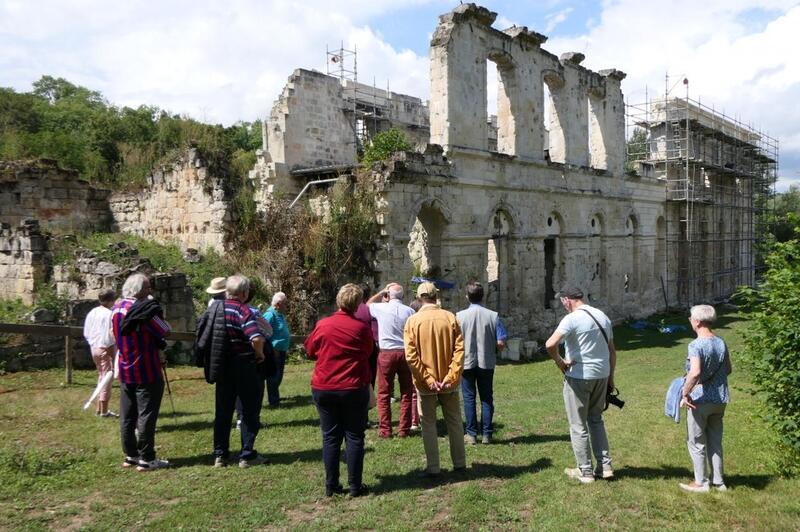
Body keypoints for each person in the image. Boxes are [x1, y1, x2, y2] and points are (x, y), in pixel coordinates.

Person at [304, 283, 373, 497]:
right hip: (352, 386)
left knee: (331, 436)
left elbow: (310, 350)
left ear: (338, 301)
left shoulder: (324, 325)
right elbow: (368, 352)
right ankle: (355, 485)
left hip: (325, 385)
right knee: (354, 436)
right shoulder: (361, 328)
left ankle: (331, 485)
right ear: (358, 304)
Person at [545, 284, 616, 483]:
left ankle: (585, 471)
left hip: (579, 376)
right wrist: (610, 378)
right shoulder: (602, 316)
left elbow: (550, 344)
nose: (563, 306)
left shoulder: (572, 318)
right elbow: (612, 351)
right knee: (596, 420)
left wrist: (560, 362)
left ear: (568, 299)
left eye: (563, 302)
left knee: (578, 424)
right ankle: (605, 466)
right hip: (602, 374)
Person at [403, 282, 466, 476]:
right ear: (436, 296)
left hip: (425, 384)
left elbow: (411, 357)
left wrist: (428, 379)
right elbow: (459, 351)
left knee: (428, 424)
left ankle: (433, 467)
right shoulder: (450, 317)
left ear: (419, 297)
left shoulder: (412, 322)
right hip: (449, 383)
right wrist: (450, 376)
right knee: (454, 421)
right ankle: (460, 463)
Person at [111, 274, 171, 471]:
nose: (150, 292)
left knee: (128, 415)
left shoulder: (116, 308)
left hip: (126, 366)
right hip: (146, 367)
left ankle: (130, 455)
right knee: (146, 414)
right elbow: (164, 330)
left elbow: (112, 334)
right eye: (146, 288)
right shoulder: (144, 309)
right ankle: (147, 458)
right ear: (137, 290)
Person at [213, 275, 269, 468]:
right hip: (244, 365)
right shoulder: (242, 310)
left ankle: (220, 454)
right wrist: (260, 355)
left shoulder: (215, 309)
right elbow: (256, 337)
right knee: (248, 411)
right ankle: (247, 455)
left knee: (223, 411)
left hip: (221, 366)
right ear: (244, 293)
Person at [679, 304, 732, 493]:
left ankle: (700, 482)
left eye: (691, 318)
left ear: (698, 321)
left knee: (696, 441)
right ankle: (719, 482)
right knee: (715, 441)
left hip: (699, 400)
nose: (690, 321)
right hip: (720, 399)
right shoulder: (721, 342)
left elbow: (695, 373)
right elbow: (728, 369)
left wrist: (685, 393)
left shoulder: (695, 345)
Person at [456, 281, 507, 445]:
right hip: (486, 361)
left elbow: (454, 340)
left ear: (467, 296)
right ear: (483, 296)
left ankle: (471, 434)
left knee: (469, 397)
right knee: (486, 398)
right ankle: (486, 434)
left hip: (467, 361)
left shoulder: (459, 316)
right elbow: (500, 342)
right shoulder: (493, 315)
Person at [367, 282, 416, 438]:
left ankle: (386, 429)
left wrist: (381, 292)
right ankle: (404, 429)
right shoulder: (410, 311)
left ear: (388, 296)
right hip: (404, 352)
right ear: (402, 296)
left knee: (383, 392)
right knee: (406, 392)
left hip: (387, 352)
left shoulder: (381, 308)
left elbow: (367, 304)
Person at [83, 289, 118, 417]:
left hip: (94, 347)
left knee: (102, 376)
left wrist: (93, 343)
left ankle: (99, 408)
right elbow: (109, 334)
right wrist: (110, 350)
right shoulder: (109, 314)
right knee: (107, 379)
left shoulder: (93, 312)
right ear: (110, 300)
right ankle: (104, 411)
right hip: (105, 348)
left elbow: (87, 332)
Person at [264, 292, 290, 407]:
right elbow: (263, 333)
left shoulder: (279, 314)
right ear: (278, 304)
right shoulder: (270, 315)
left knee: (278, 376)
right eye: (285, 303)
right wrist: (272, 348)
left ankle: (275, 397)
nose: (287, 306)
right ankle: (274, 401)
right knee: (274, 377)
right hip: (274, 352)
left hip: (281, 350)